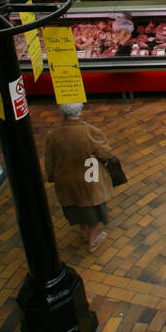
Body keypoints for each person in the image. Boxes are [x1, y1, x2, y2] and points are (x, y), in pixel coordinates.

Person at [44, 103, 115, 250]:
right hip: (90, 178)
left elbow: (49, 162)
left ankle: (83, 232)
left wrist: (52, 176)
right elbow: (105, 153)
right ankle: (93, 239)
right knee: (93, 208)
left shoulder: (53, 135)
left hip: (66, 179)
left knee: (76, 206)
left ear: (62, 112)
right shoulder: (90, 131)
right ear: (80, 111)